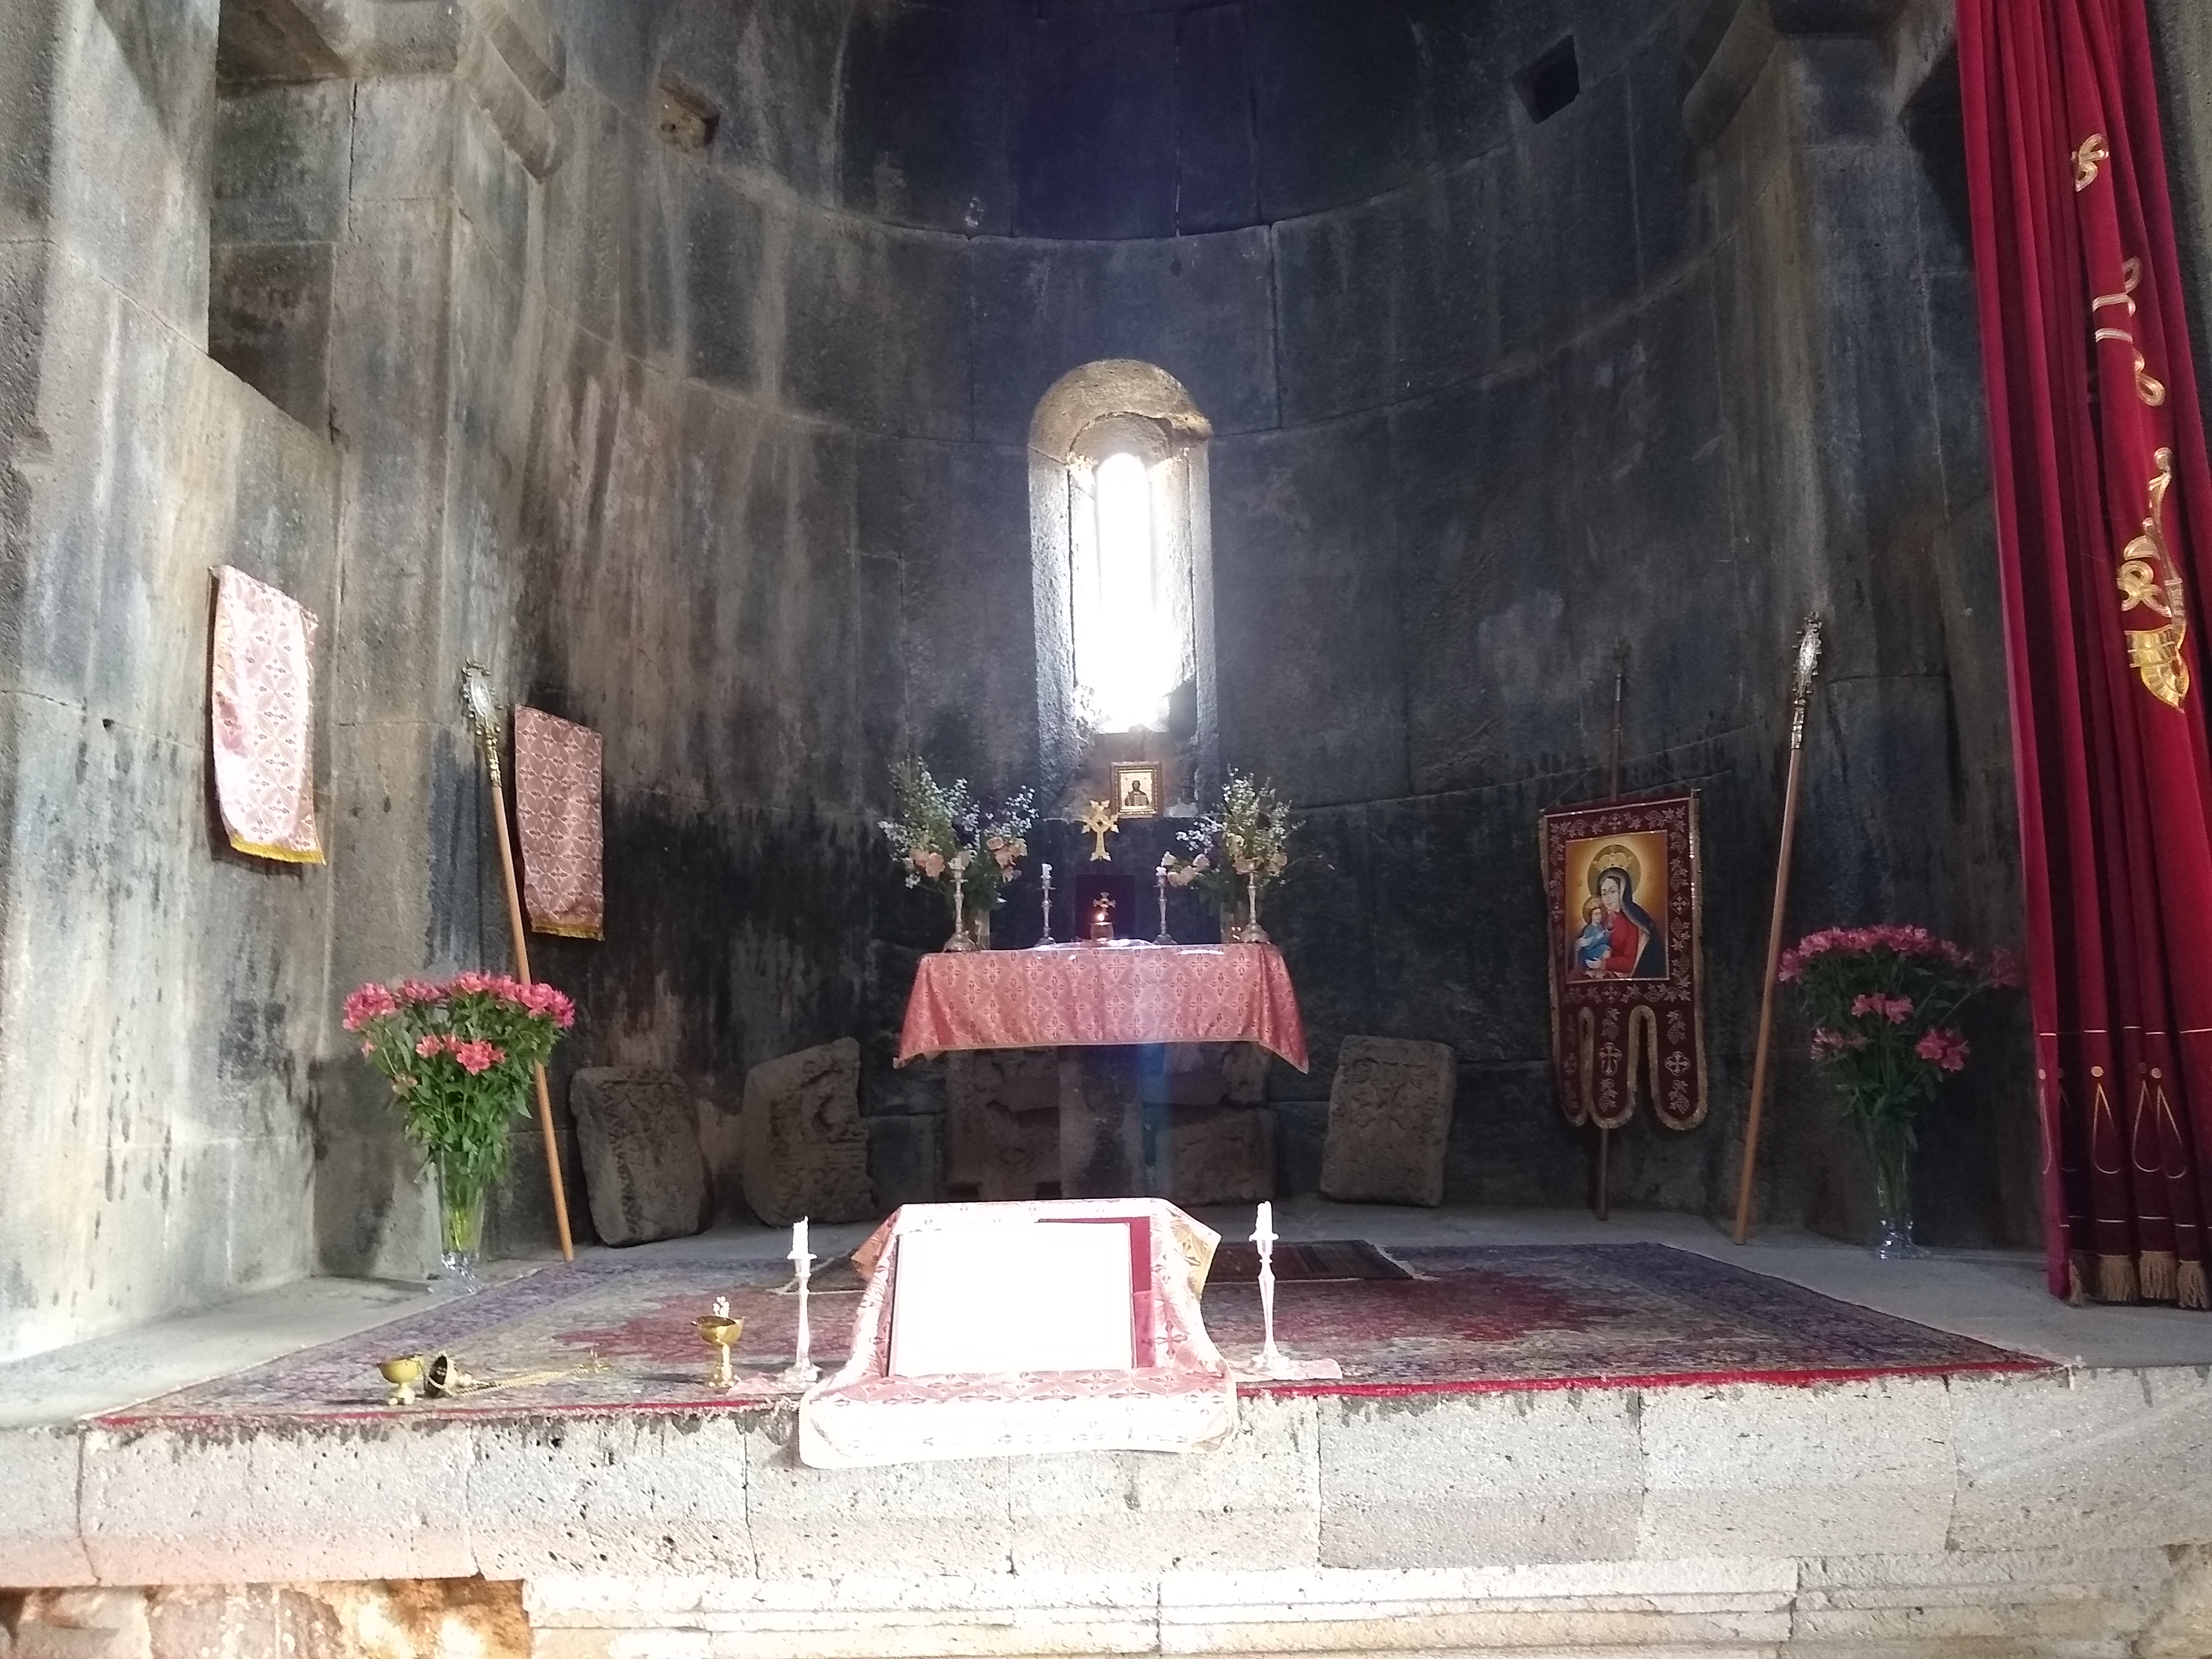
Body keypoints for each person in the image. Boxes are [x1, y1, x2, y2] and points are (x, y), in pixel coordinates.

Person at [1592, 865, 1666, 978]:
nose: (1607, 898)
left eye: (1612, 891)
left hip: (1625, 975)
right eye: (1604, 893)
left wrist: (1604, 964)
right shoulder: (1602, 919)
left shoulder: (1633, 921)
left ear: (1622, 892)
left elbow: (1629, 963)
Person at [1573, 900, 1611, 977]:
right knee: (1605, 949)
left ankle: (1600, 970)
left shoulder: (1601, 927)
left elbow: (1605, 942)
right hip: (1590, 953)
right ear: (1592, 916)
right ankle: (1594, 970)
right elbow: (1587, 946)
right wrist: (1597, 938)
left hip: (1599, 950)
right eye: (1596, 914)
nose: (1599, 916)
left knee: (1606, 949)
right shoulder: (1589, 929)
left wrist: (1607, 934)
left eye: (1600, 914)